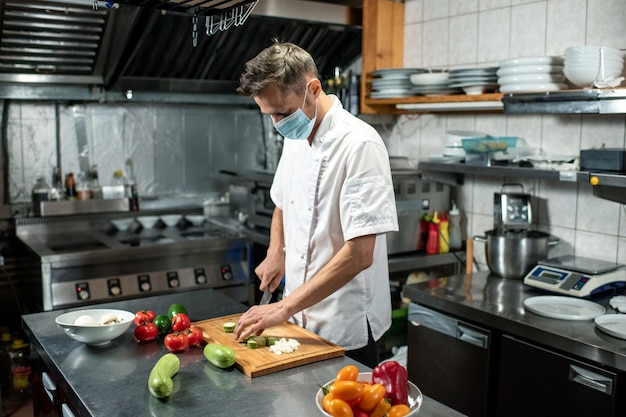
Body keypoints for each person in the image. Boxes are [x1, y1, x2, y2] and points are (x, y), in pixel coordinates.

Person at [233, 40, 398, 368]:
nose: (277, 124)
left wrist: (282, 308)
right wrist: (275, 251)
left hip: (344, 324)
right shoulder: (296, 134)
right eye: (269, 115)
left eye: (281, 113)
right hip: (296, 318)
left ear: (313, 89)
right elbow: (283, 200)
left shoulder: (360, 145)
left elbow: (360, 254)